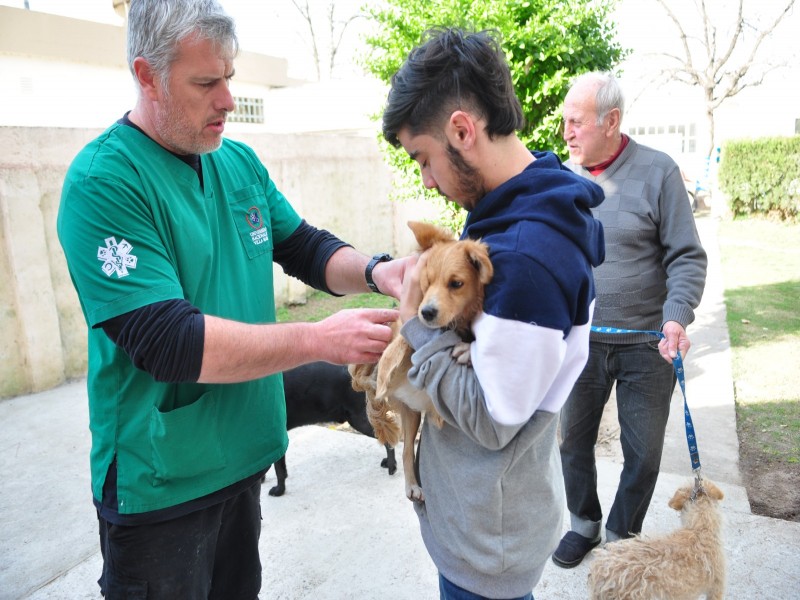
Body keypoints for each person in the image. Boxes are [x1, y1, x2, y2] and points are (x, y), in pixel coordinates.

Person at [56, 1, 408, 597]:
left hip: (241, 458)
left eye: (230, 78)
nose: (226, 99)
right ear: (147, 76)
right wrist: (319, 339)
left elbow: (304, 248)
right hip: (161, 483)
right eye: (205, 82)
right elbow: (168, 342)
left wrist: (382, 271)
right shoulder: (104, 183)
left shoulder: (236, 162)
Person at [382, 28, 606, 599]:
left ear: (462, 129)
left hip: (487, 547)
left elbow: (492, 421)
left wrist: (417, 328)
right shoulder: (511, 215)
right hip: (485, 522)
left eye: (424, 159)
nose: (427, 178)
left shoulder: (525, 256)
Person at [552, 71, 708, 568]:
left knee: (642, 455)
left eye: (576, 122)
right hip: (580, 342)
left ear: (611, 120)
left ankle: (622, 532)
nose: (566, 133)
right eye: (564, 122)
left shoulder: (659, 172)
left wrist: (676, 317)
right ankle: (584, 524)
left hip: (647, 344)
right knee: (571, 441)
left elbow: (686, 256)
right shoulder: (562, 180)